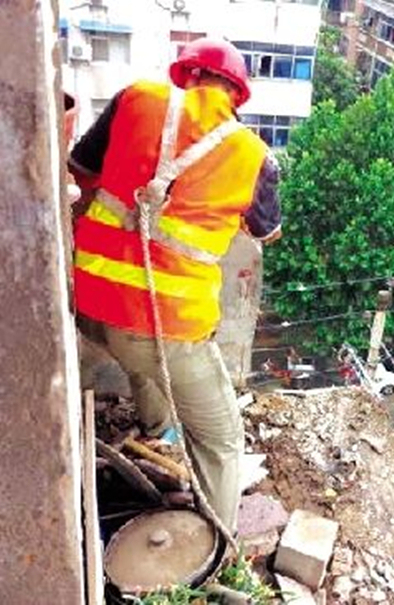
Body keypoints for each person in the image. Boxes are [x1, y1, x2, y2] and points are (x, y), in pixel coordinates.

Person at [69, 38, 282, 532]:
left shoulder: (134, 99)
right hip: (168, 329)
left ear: (186, 76)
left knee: (137, 357)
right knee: (222, 442)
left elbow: (80, 169)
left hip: (89, 305)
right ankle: (218, 554)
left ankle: (151, 425)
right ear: (236, 95)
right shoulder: (253, 155)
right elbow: (265, 231)